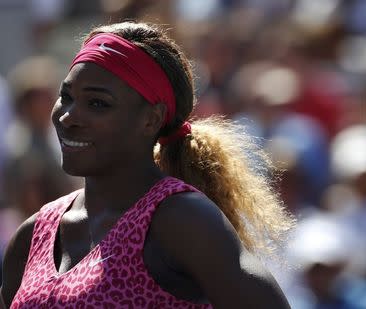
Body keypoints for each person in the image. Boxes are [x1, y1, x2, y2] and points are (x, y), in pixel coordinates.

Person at [0, 21, 294, 308]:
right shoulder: (33, 234)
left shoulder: (181, 219)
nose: (68, 117)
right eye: (66, 97)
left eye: (98, 103)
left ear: (151, 119)